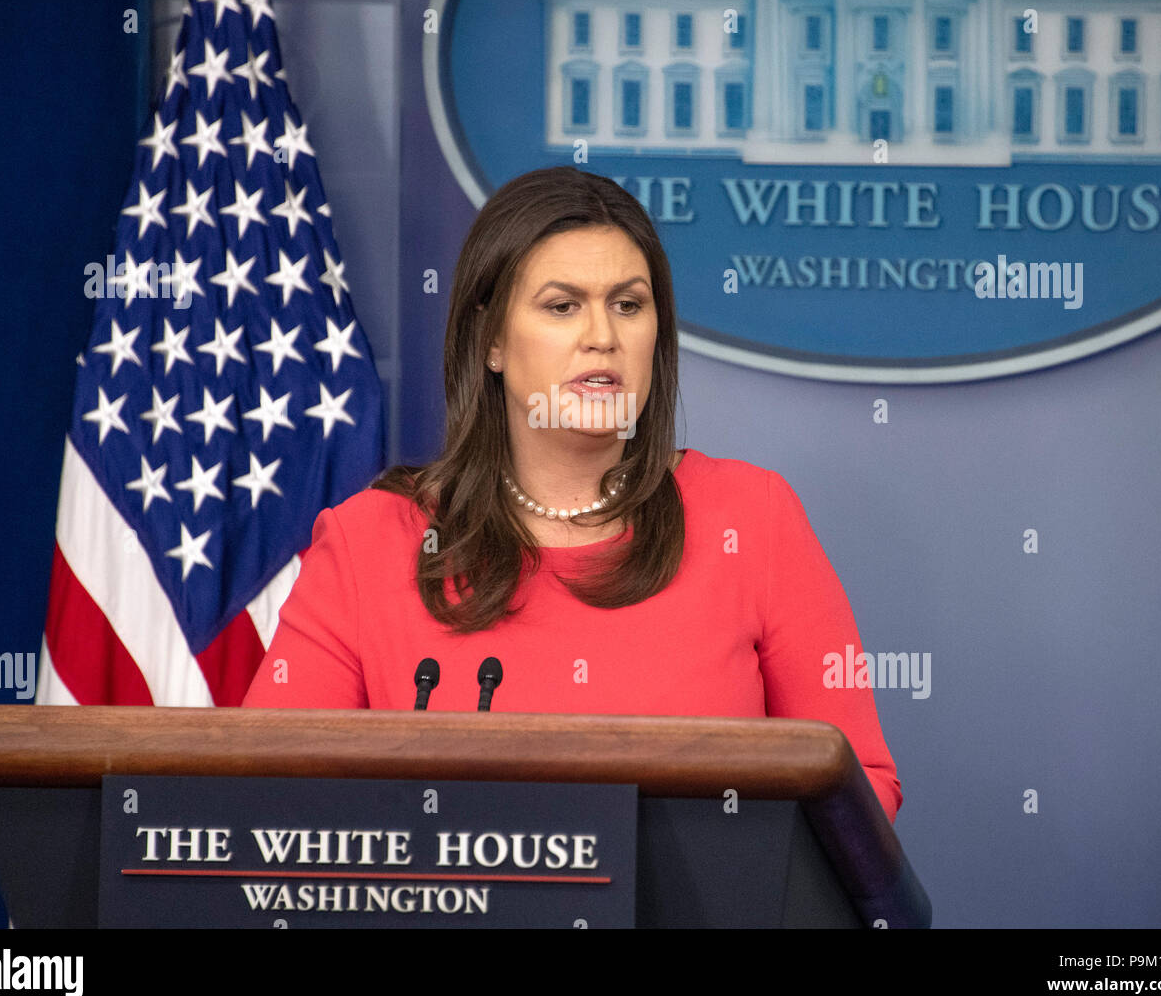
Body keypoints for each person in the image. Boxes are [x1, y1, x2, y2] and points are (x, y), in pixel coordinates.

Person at [242, 166, 902, 823]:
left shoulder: (751, 517)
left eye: (628, 304)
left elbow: (860, 790)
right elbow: (268, 795)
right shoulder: (369, 542)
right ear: (492, 340)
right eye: (563, 306)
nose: (603, 336)